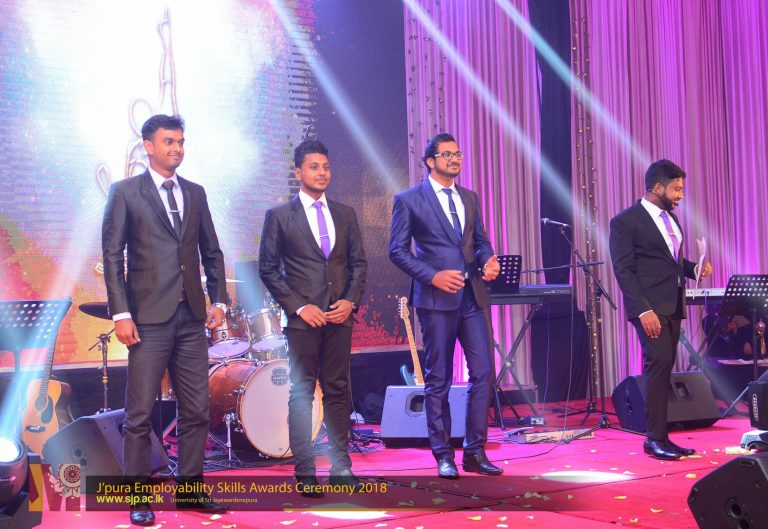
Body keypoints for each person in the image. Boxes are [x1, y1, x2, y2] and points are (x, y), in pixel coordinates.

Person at [102, 114, 227, 525]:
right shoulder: (125, 193)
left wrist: (219, 301)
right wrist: (121, 313)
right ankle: (138, 498)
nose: (177, 148)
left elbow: (211, 251)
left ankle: (190, 491)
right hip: (147, 320)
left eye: (181, 142)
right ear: (148, 146)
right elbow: (112, 257)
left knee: (197, 410)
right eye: (169, 141)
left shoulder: (195, 192)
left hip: (191, 318)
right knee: (138, 415)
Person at [389, 132, 502, 479]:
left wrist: (488, 259)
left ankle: (475, 451)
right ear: (430, 161)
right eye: (447, 154)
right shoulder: (409, 200)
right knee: (438, 378)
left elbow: (480, 241)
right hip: (436, 300)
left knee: (484, 373)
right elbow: (397, 251)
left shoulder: (469, 197)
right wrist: (433, 276)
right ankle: (443, 454)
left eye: (458, 153)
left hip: (473, 297)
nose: (455, 159)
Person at [258, 139, 367, 497]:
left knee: (338, 390)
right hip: (303, 321)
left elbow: (359, 264)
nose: (322, 173)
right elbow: (268, 269)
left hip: (339, 317)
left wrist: (350, 301)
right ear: (298, 172)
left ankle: (341, 467)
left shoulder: (345, 213)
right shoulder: (279, 216)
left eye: (326, 167)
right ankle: (305, 471)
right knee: (302, 392)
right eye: (314, 167)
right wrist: (299, 306)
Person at [609, 159, 712, 461]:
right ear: (657, 187)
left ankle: (662, 437)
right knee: (658, 364)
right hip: (649, 308)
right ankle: (654, 439)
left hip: (673, 303)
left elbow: (671, 261)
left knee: (664, 368)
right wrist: (643, 311)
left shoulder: (672, 220)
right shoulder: (625, 221)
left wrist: (694, 269)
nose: (681, 195)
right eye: (676, 189)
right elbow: (624, 270)